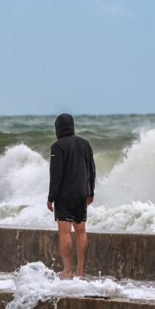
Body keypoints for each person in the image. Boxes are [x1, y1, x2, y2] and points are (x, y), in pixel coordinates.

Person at [47, 113, 96, 279]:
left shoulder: (57, 147)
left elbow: (56, 175)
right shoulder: (85, 144)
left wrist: (51, 197)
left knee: (65, 231)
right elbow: (91, 169)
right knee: (81, 231)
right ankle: (81, 271)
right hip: (82, 192)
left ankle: (67, 271)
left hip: (64, 195)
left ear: (58, 128)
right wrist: (91, 192)